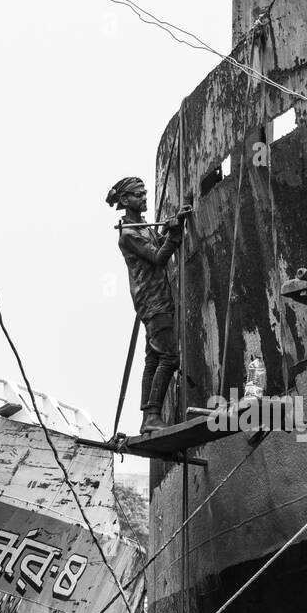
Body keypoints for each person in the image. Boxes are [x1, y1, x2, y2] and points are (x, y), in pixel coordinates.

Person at [106, 176, 191, 434]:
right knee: (169, 357)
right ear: (124, 200)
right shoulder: (129, 234)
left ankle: (148, 419)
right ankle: (152, 415)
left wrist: (170, 225)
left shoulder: (142, 227)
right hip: (153, 301)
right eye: (138, 195)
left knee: (153, 358)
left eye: (144, 194)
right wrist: (174, 235)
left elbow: (156, 242)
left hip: (155, 298)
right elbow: (158, 256)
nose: (144, 198)